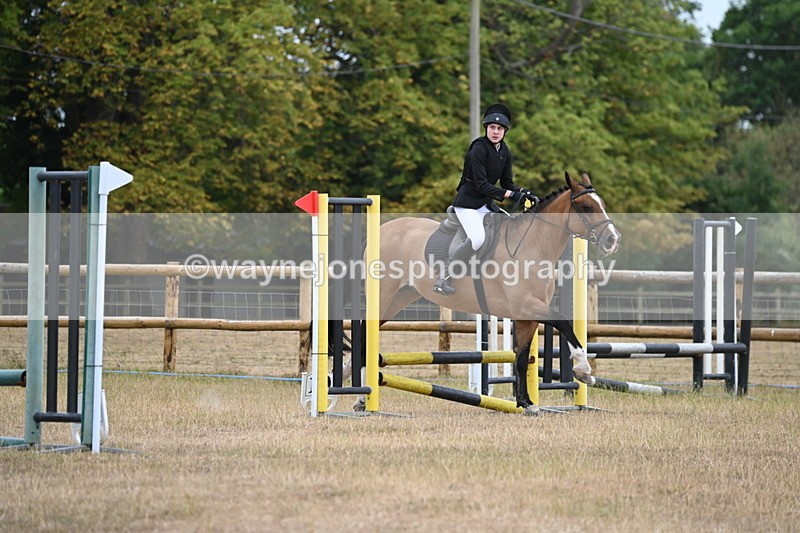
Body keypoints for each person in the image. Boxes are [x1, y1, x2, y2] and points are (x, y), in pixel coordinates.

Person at [433, 103, 537, 296]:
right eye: (492, 128)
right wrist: (510, 195)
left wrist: (524, 192)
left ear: (505, 131)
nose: (495, 132)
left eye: (499, 129)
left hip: (484, 204)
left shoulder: (504, 151)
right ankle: (445, 276)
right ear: (486, 128)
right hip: (468, 204)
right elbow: (481, 185)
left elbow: (507, 182)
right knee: (478, 238)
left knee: (508, 229)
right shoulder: (478, 149)